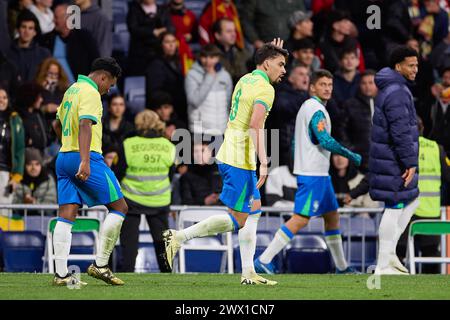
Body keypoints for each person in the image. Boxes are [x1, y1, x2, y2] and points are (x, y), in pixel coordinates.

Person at [163, 40, 288, 285]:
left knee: (253, 211)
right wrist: (264, 161)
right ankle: (178, 236)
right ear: (266, 64)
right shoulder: (266, 89)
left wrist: (270, 49)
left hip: (233, 153)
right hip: (239, 159)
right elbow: (255, 125)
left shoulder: (246, 79)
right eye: (281, 64)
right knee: (240, 218)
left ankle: (248, 272)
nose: (284, 70)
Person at [254, 69, 361, 274]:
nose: (328, 89)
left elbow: (295, 142)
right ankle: (264, 259)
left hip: (320, 173)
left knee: (332, 217)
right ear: (312, 87)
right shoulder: (316, 109)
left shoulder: (308, 107)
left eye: (330, 85)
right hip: (313, 174)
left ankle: (341, 267)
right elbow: (325, 140)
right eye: (323, 85)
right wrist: (351, 155)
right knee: (301, 219)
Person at [52, 57, 128, 286]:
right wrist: (84, 160)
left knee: (67, 213)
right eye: (110, 84)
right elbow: (86, 124)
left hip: (64, 156)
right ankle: (101, 265)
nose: (108, 90)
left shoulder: (72, 90)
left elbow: (56, 124)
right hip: (86, 156)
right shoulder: (91, 92)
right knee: (120, 207)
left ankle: (61, 274)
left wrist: (68, 147)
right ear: (103, 77)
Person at [369, 46, 420, 275]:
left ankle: (389, 256)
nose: (416, 69)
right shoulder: (397, 91)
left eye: (417, 65)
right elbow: (400, 131)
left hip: (389, 157)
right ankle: (383, 263)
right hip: (394, 160)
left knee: (410, 202)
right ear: (398, 66)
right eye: (411, 65)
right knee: (394, 206)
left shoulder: (393, 88)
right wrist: (409, 162)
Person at [117, 110, 175, 273]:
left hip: (131, 199)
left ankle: (126, 275)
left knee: (129, 242)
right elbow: (170, 175)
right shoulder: (168, 146)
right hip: (159, 200)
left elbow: (118, 172)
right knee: (162, 242)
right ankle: (168, 277)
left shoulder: (128, 144)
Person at [396, 117, 450, 273]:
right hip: (430, 210)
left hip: (405, 209)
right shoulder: (436, 148)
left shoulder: (399, 149)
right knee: (430, 253)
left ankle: (393, 288)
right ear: (422, 128)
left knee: (398, 252)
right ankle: (430, 289)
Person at [40, 3, 100, 84]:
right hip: (55, 89)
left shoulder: (84, 37)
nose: (53, 20)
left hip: (80, 88)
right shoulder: (47, 40)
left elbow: (96, 62)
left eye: (56, 17)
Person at [185, 44, 233, 135]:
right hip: (200, 130)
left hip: (221, 130)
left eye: (212, 57)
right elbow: (194, 101)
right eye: (204, 57)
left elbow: (228, 104)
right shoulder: (192, 75)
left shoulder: (225, 75)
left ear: (218, 58)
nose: (208, 61)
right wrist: (209, 76)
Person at [268, 64, 309, 166]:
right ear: (291, 78)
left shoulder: (306, 95)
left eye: (307, 74)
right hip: (277, 147)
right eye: (301, 74)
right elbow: (283, 107)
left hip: (298, 147)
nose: (305, 77)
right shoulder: (281, 92)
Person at [146, 32, 187, 126]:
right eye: (167, 42)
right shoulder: (155, 64)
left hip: (179, 111)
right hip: (164, 114)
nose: (172, 45)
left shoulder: (178, 61)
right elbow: (154, 93)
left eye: (173, 41)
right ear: (160, 45)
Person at [339, 70, 377, 171]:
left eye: (371, 83)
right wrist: (352, 152)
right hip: (358, 164)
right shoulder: (350, 105)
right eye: (364, 83)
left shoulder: (385, 104)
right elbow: (341, 130)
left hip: (382, 162)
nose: (367, 86)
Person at [127, 0, 174, 76]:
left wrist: (163, 31)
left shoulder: (163, 10)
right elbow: (133, 29)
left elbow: (171, 28)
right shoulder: (134, 10)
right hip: (139, 56)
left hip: (158, 53)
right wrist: (152, 32)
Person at [239, 0, 306, 49]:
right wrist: (255, 40)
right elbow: (245, 20)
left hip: (289, 46)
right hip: (265, 46)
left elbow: (303, 18)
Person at [6, 9, 51, 82]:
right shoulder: (7, 52)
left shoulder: (44, 54)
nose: (26, 31)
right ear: (18, 29)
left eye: (30, 28)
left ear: (35, 32)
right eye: (24, 27)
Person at [0, 87, 25, 215]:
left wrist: (16, 176)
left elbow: (20, 151)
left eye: (4, 97)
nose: (1, 101)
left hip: (5, 173)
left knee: (3, 214)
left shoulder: (15, 120)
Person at [180, 141, 222, 206]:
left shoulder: (221, 173)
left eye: (203, 150)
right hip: (195, 214)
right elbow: (186, 201)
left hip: (221, 213)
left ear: (211, 152)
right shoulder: (186, 176)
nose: (199, 154)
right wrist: (204, 201)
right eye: (196, 151)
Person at [212, 17, 251, 84]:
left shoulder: (243, 52)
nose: (234, 34)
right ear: (217, 35)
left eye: (234, 31)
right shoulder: (209, 56)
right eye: (229, 31)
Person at [16, 82, 50, 155]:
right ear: (31, 96)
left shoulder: (38, 114)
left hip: (42, 154)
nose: (41, 100)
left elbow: (45, 139)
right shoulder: (18, 117)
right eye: (39, 96)